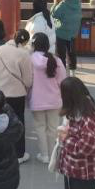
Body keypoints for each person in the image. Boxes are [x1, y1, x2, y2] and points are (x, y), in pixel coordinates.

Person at [0, 28, 33, 164]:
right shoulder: (24, 54)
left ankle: (1, 152)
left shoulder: (0, 49)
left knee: (0, 122)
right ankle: (19, 154)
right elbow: (28, 80)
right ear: (25, 42)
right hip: (16, 93)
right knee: (17, 123)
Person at [28, 32, 67, 163]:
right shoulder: (56, 60)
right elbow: (62, 81)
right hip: (54, 100)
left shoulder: (30, 59)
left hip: (36, 100)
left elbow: (28, 80)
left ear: (33, 45)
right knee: (53, 128)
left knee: (40, 127)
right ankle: (52, 154)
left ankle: (44, 155)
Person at [52, 0, 83, 74]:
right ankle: (73, 73)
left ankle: (63, 73)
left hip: (61, 33)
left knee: (61, 54)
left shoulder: (63, 4)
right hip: (73, 32)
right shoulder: (77, 3)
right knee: (71, 52)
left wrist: (55, 4)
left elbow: (54, 14)